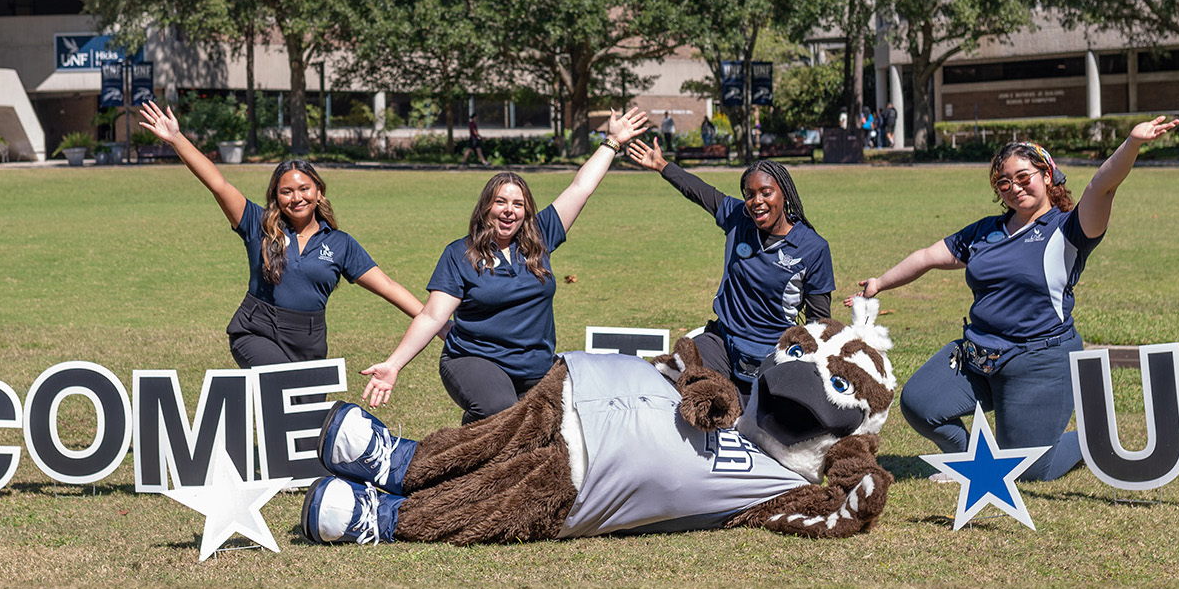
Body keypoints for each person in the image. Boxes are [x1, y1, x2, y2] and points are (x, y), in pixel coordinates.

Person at [845, 117, 1179, 480]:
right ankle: (970, 465)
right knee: (920, 402)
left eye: (1024, 178)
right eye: (1004, 182)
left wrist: (1132, 143)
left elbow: (1102, 186)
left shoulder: (1069, 228)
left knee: (1032, 471)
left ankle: (1089, 441)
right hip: (978, 355)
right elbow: (928, 257)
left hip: (1039, 361)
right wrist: (880, 282)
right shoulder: (986, 231)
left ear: (1047, 176)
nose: (1014, 188)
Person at [362, 108, 652, 423]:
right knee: (498, 413)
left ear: (527, 211)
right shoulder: (460, 254)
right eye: (500, 202)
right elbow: (433, 316)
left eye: (517, 204)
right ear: (486, 207)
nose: (509, 211)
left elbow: (580, 188)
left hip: (535, 366)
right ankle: (468, 460)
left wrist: (611, 142)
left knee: (558, 426)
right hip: (476, 360)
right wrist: (394, 364)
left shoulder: (540, 237)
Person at [137, 100, 425, 368]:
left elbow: (387, 286)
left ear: (318, 191)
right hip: (256, 331)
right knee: (279, 384)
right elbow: (218, 184)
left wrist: (435, 322)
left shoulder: (339, 243)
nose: (296, 198)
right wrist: (177, 138)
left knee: (305, 419)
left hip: (309, 341)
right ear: (276, 196)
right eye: (286, 191)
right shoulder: (257, 224)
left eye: (304, 189)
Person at [624, 140, 835, 394]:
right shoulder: (739, 218)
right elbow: (700, 192)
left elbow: (819, 323)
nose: (756, 201)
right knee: (682, 387)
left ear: (784, 194)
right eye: (749, 194)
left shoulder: (813, 248)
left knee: (764, 422)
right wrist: (662, 165)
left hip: (775, 353)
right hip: (723, 342)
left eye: (766, 192)